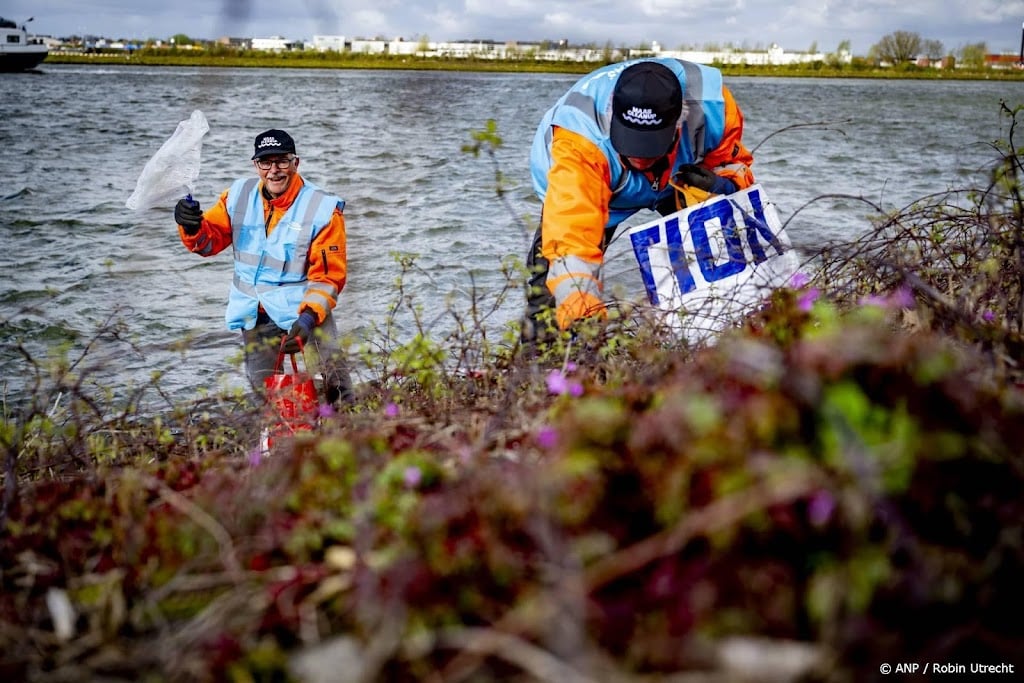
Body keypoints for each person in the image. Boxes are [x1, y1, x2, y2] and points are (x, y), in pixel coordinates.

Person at [523, 57, 756, 342]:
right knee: (548, 294)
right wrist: (586, 326)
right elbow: (571, 246)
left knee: (727, 259)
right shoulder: (579, 144)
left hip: (681, 177)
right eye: (631, 145)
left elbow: (735, 168)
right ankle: (540, 371)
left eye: (650, 147)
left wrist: (722, 186)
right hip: (596, 188)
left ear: (678, 125)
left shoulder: (715, 107)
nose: (640, 159)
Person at [174, 128, 354, 405]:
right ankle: (277, 443)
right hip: (254, 313)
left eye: (282, 161)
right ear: (256, 165)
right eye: (265, 162)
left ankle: (348, 434)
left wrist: (307, 319)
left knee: (335, 385)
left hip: (305, 313)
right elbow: (207, 244)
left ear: (296, 162)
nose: (274, 171)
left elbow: (328, 278)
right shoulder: (237, 195)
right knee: (264, 398)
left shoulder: (323, 208)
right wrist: (190, 225)